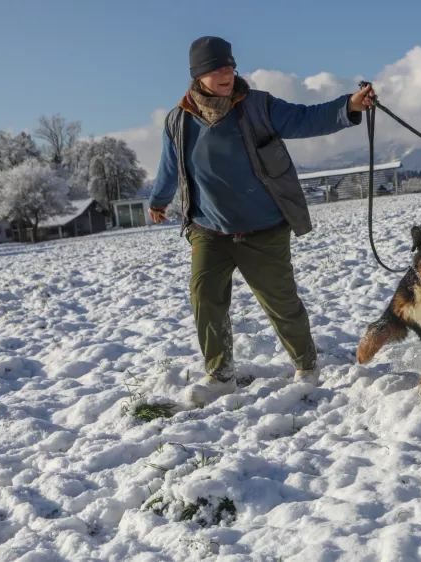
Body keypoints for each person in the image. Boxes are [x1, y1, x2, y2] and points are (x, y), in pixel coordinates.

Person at [148, 36, 375, 407]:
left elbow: (305, 118)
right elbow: (170, 168)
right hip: (209, 229)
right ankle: (220, 375)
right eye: (217, 68)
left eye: (230, 66)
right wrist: (158, 201)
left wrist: (349, 105)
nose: (227, 73)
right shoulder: (178, 120)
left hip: (263, 228)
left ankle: (306, 366)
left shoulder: (257, 106)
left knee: (281, 301)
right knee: (205, 296)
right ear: (198, 75)